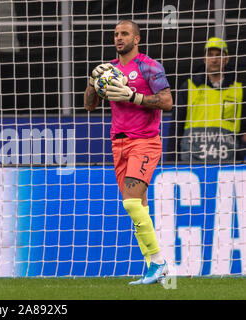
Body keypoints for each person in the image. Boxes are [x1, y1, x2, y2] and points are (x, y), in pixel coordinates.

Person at [84, 20, 173, 285]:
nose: (118, 38)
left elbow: (167, 102)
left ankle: (158, 263)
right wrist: (92, 82)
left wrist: (133, 97)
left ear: (137, 39)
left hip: (145, 141)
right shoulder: (109, 70)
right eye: (115, 34)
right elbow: (89, 106)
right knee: (139, 207)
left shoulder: (150, 67)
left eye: (124, 33)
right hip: (119, 144)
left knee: (132, 203)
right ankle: (153, 269)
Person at [166, 37, 246, 163]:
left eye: (219, 55)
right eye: (210, 55)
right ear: (204, 59)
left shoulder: (239, 90)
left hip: (228, 165)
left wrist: (240, 157)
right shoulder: (189, 86)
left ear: (226, 59)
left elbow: (243, 131)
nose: (214, 60)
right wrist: (171, 162)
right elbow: (176, 127)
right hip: (191, 163)